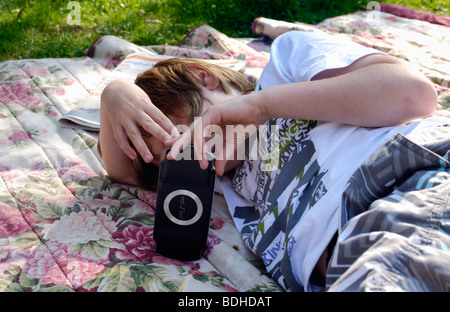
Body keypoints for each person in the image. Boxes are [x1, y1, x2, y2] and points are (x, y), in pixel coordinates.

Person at [99, 30, 450, 291]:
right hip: (351, 260)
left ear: (201, 77)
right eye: (173, 156)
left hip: (410, 186)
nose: (191, 153)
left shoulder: (285, 67)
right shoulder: (216, 182)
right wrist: (114, 93)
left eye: (189, 132)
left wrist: (260, 107)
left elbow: (412, 95)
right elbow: (118, 168)